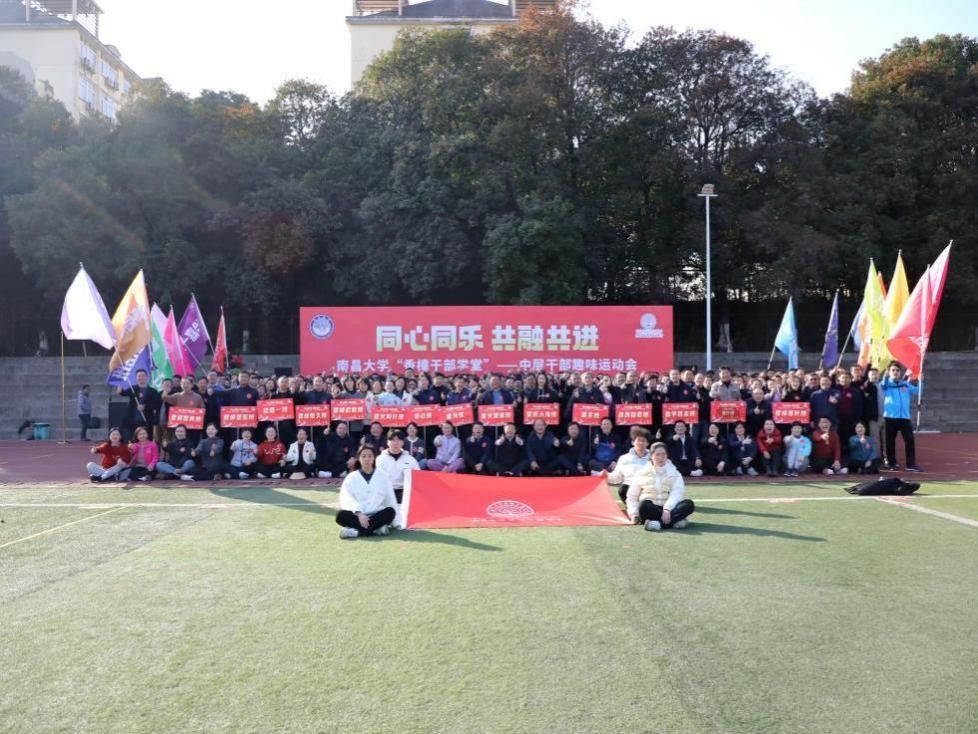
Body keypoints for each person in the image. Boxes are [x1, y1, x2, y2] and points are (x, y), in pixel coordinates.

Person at [608, 439, 695, 531]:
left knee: (688, 504)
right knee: (643, 505)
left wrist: (667, 509)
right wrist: (634, 514)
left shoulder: (675, 473)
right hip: (651, 508)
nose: (660, 457)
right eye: (657, 454)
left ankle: (658, 524)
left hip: (670, 509)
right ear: (651, 456)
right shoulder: (641, 473)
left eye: (663, 454)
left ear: (667, 456)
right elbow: (632, 497)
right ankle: (674, 521)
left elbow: (677, 493)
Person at [336, 445, 399, 539]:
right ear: (358, 458)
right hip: (358, 515)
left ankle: (355, 532)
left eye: (370, 456)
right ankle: (376, 529)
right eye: (363, 456)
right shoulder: (351, 477)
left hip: (376, 514)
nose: (367, 459)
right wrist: (359, 514)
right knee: (340, 515)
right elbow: (346, 498)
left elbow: (390, 499)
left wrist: (395, 521)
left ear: (374, 458)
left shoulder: (383, 476)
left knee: (390, 511)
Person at [881, 362, 922, 472]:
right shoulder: (887, 384)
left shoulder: (905, 384)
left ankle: (910, 465)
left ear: (900, 372)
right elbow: (882, 385)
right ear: (889, 372)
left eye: (897, 370)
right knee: (890, 441)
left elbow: (917, 391)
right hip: (890, 417)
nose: (895, 372)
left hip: (904, 418)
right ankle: (892, 463)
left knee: (910, 440)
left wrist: (920, 381)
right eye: (893, 370)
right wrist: (886, 376)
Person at [376, 429, 419, 503]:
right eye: (393, 440)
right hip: (386, 491)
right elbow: (379, 479)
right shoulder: (380, 459)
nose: (395, 443)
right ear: (388, 442)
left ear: (403, 442)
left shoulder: (410, 459)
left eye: (398, 440)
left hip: (404, 492)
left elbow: (418, 477)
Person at [118, 369, 162, 440]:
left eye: (143, 375)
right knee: (133, 440)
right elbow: (122, 392)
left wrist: (145, 407)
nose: (141, 377)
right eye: (139, 376)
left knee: (146, 440)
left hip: (146, 421)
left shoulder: (153, 391)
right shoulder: (132, 388)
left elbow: (157, 405)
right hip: (132, 421)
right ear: (136, 378)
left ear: (147, 377)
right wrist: (120, 384)